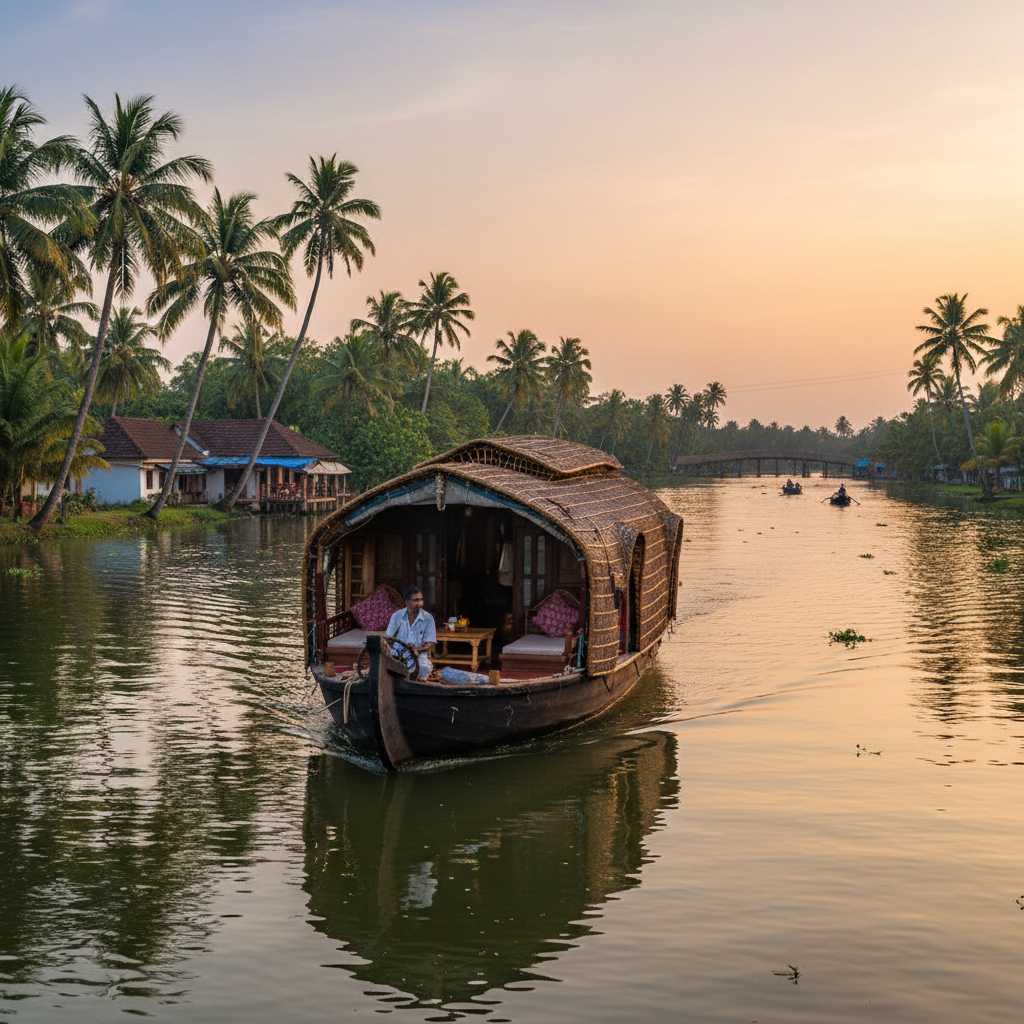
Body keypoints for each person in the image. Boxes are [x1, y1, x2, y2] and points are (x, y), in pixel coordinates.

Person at [385, 586, 437, 678]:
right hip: (398, 654)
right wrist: (400, 648)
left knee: (425, 668)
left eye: (421, 600)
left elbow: (430, 643)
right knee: (386, 668)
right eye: (416, 600)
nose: (419, 603)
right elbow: (388, 637)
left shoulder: (428, 618)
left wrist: (416, 649)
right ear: (407, 602)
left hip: (418, 655)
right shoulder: (397, 616)